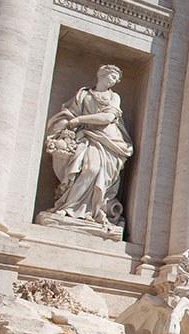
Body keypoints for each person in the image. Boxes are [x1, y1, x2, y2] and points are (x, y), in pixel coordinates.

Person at [41, 64, 134, 227]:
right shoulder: (83, 94)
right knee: (84, 168)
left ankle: (87, 210)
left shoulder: (114, 97)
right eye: (112, 77)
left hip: (108, 140)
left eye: (117, 79)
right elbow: (70, 113)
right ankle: (69, 207)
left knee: (93, 170)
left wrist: (80, 120)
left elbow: (107, 118)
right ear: (102, 74)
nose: (114, 81)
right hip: (86, 136)